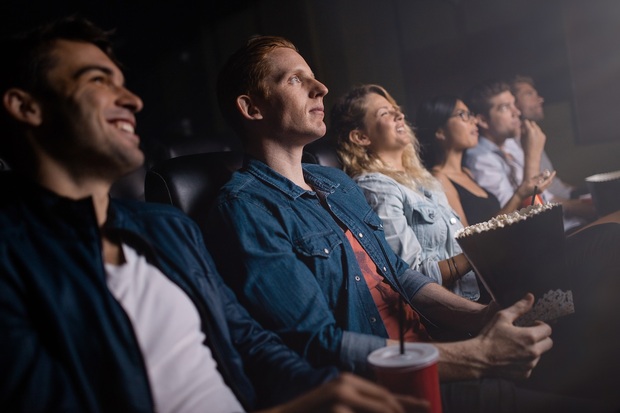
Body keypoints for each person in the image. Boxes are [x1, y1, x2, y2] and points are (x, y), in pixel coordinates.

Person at [0, 16, 431, 413]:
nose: (131, 100)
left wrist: (324, 391)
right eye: (98, 80)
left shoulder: (167, 229)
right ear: (26, 107)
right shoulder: (15, 258)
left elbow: (250, 342)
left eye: (125, 83)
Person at [205, 35, 616, 412]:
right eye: (295, 80)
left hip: (442, 347)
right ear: (252, 108)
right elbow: (316, 344)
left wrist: (482, 316)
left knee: (598, 339)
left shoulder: (333, 182)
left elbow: (401, 276)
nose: (321, 88)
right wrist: (476, 356)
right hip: (393, 389)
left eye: (314, 77)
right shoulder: (246, 207)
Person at [331, 84, 483, 302]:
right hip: (449, 316)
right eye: (385, 113)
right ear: (361, 137)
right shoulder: (376, 187)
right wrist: (481, 253)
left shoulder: (424, 179)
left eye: (396, 109)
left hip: (475, 294)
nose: (399, 115)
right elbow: (414, 275)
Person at [415, 95, 554, 226]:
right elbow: (467, 237)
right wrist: (519, 196)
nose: (474, 121)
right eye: (462, 115)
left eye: (471, 114)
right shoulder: (439, 179)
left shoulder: (467, 172)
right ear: (440, 132)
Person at [509, 75, 596, 230]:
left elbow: (555, 184)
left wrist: (582, 193)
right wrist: (587, 207)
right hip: (557, 215)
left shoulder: (533, 135)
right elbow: (536, 198)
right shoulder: (512, 147)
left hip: (568, 199)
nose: (540, 99)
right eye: (529, 94)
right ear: (512, 103)